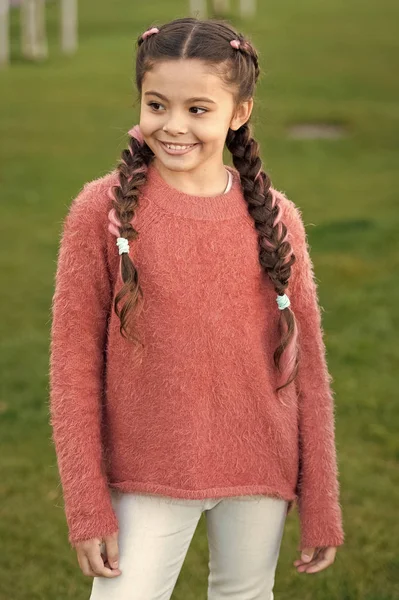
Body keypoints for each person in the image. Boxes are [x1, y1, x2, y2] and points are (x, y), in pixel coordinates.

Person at [49, 16, 345, 600]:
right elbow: (73, 367)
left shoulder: (276, 219)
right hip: (147, 471)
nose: (174, 126)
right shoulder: (100, 212)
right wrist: (88, 505)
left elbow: (306, 364)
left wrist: (322, 501)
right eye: (156, 104)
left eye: (198, 109)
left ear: (239, 112)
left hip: (259, 466)